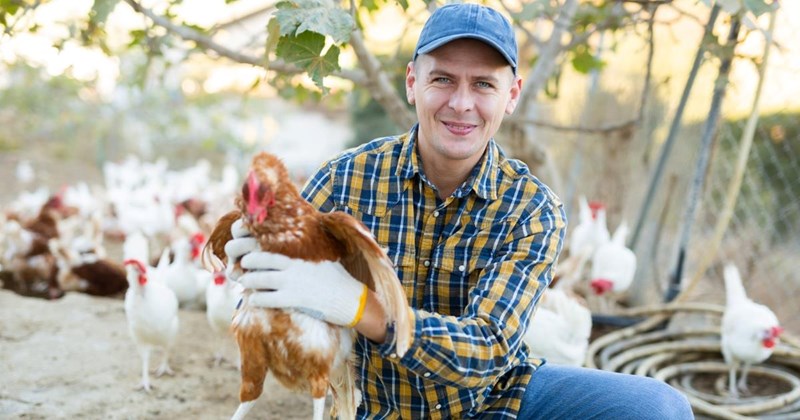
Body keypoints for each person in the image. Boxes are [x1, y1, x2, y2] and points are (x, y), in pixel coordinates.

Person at [225, 3, 694, 419]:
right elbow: (276, 278)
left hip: (496, 402)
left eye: (484, 84)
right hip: (379, 407)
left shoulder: (531, 209)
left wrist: (362, 308)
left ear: (512, 95)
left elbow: (487, 350)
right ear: (413, 82)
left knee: (659, 407)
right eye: (443, 79)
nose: (462, 103)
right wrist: (252, 256)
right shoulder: (345, 180)